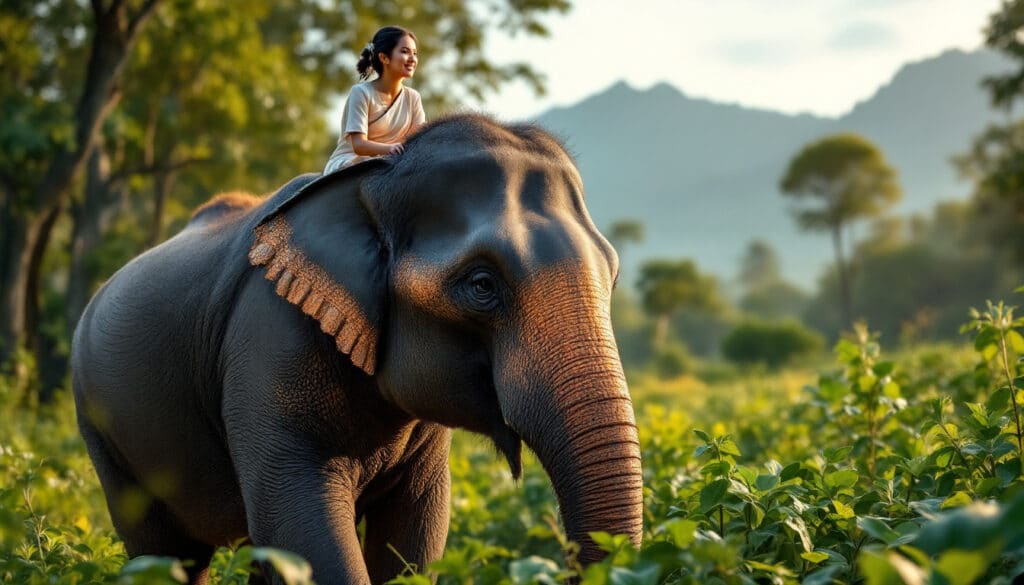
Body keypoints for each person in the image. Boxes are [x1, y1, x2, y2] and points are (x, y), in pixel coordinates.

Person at [323, 26, 426, 173]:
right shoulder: (361, 92)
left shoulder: (413, 97)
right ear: (384, 57)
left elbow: (419, 140)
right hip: (353, 161)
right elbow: (359, 145)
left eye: (414, 53)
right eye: (404, 52)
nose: (412, 59)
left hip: (394, 162)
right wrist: (389, 149)